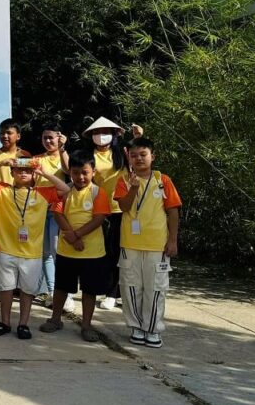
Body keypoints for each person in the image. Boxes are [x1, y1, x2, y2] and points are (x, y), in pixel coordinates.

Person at [0, 157, 69, 339]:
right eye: (19, 170)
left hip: (32, 253)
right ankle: (5, 322)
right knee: (6, 289)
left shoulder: (41, 193)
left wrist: (44, 173)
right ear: (12, 173)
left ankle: (23, 324)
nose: (23, 173)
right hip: (6, 250)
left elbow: (65, 189)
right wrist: (0, 164)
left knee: (27, 291)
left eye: (28, 170)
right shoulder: (3, 190)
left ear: (33, 173)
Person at [114, 137, 182, 348]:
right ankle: (136, 327)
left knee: (156, 288)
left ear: (153, 156)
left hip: (157, 244)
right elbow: (124, 207)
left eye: (143, 154)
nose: (139, 159)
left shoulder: (163, 180)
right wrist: (134, 188)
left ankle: (153, 329)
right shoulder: (123, 180)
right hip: (130, 244)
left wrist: (173, 240)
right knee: (130, 286)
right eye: (134, 155)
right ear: (129, 158)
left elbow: (173, 212)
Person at [40, 150, 112, 342]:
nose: (80, 177)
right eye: (76, 172)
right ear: (70, 172)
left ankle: (86, 325)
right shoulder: (65, 191)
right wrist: (71, 237)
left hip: (93, 253)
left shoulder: (98, 192)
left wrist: (77, 235)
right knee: (61, 287)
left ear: (93, 172)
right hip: (66, 251)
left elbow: (99, 218)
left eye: (85, 172)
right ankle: (55, 319)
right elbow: (57, 214)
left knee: (89, 291)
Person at [85, 117, 143, 310]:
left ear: (114, 134)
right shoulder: (89, 155)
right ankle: (104, 288)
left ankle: (114, 292)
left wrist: (138, 138)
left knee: (119, 251)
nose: (101, 136)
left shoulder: (123, 153)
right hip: (99, 209)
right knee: (102, 252)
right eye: (97, 132)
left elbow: (140, 160)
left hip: (122, 208)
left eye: (105, 132)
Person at [35, 125, 71, 310]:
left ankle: (67, 295)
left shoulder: (64, 156)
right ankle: (51, 292)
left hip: (59, 210)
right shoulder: (36, 159)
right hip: (39, 211)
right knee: (46, 253)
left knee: (59, 252)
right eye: (45, 138)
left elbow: (69, 171)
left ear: (59, 138)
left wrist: (63, 149)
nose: (48, 141)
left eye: (51, 137)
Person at [0, 118, 31, 232]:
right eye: (2, 133)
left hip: (21, 203)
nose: (4, 136)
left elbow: (30, 181)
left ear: (18, 136)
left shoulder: (25, 155)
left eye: (9, 133)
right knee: (0, 235)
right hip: (0, 204)